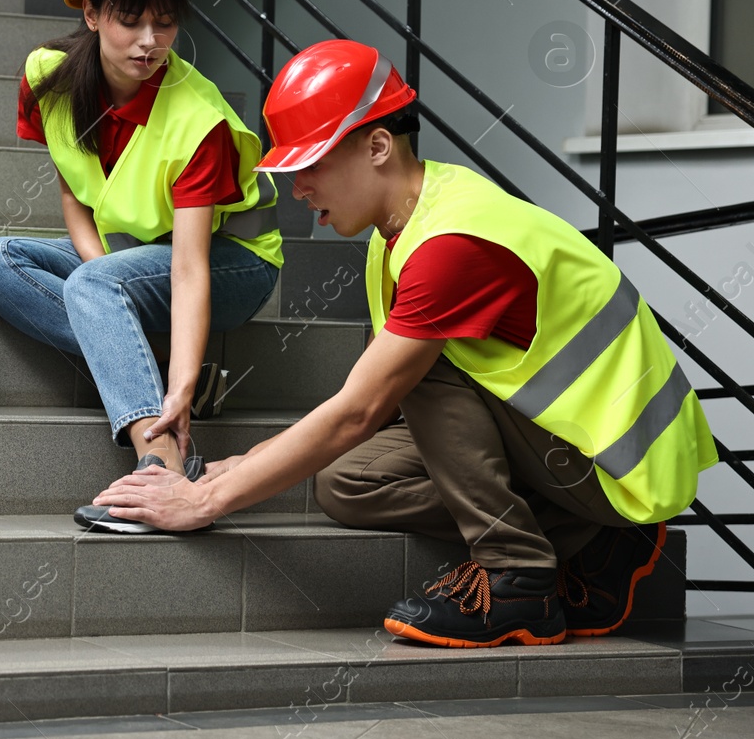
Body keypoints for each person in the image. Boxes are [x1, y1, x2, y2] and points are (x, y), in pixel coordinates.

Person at [93, 39, 718, 646]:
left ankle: (518, 578)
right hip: (562, 451)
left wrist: (206, 498)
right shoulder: (401, 227)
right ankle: (587, 536)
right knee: (347, 483)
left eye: (310, 165)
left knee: (416, 366)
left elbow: (363, 404)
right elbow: (365, 412)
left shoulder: (451, 244)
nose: (298, 187)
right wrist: (248, 464)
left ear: (379, 145)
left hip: (616, 463)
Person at [0, 0, 283, 533]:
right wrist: (103, 277)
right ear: (91, 13)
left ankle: (161, 461)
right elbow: (75, 196)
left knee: (95, 285)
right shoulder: (48, 78)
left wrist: (181, 390)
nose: (149, 41)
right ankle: (140, 358)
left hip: (231, 267)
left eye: (165, 23)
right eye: (130, 19)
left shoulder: (197, 119)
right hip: (137, 264)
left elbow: (191, 269)